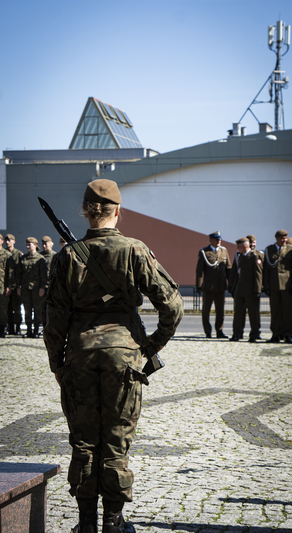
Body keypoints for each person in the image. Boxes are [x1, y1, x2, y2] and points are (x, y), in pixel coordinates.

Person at [43, 179, 184, 533]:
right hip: (124, 356)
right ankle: (114, 521)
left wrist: (57, 364)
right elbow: (171, 304)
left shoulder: (66, 257)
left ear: (86, 212)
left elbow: (54, 318)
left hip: (79, 354)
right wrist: (154, 344)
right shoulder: (135, 250)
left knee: (84, 440)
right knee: (116, 440)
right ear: (118, 211)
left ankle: (86, 523)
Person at [196, 231, 231, 338]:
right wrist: (198, 285)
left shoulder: (224, 251)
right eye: (216, 239)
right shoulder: (204, 252)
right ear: (210, 240)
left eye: (219, 239)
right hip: (208, 287)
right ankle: (208, 331)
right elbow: (199, 271)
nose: (218, 241)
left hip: (221, 287)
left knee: (220, 311)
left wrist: (231, 284)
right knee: (206, 311)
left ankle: (219, 331)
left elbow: (228, 268)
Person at [264, 230, 292, 343]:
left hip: (287, 285)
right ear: (277, 238)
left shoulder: (291, 250)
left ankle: (287, 334)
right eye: (282, 238)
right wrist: (267, 285)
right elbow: (266, 270)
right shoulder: (269, 249)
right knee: (275, 311)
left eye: (285, 238)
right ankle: (276, 334)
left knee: (288, 311)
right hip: (274, 285)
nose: (284, 240)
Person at [228, 237, 263, 342]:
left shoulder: (254, 256)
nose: (237, 248)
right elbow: (235, 273)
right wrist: (232, 287)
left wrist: (257, 290)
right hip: (240, 290)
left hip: (251, 290)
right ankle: (237, 334)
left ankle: (254, 334)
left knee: (253, 314)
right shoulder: (239, 256)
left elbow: (258, 275)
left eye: (238, 246)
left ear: (244, 246)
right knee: (238, 314)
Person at [16, 237, 47, 338]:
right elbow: (19, 274)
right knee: (27, 310)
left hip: (37, 289)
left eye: (30, 244)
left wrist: (42, 287)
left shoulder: (41, 259)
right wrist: (18, 287)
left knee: (37, 310)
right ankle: (29, 331)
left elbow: (43, 275)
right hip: (25, 289)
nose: (28, 246)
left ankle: (36, 331)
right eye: (27, 245)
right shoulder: (23, 258)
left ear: (35, 245)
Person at [4, 234, 23, 335]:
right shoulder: (3, 253)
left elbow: (21, 271)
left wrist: (19, 286)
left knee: (17, 308)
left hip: (16, 286)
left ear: (14, 241)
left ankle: (18, 328)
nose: (8, 242)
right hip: (6, 286)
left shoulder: (18, 254)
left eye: (10, 240)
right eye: (6, 240)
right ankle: (10, 328)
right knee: (8, 308)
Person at [40, 236, 57, 328]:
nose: (44, 245)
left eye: (46, 243)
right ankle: (43, 327)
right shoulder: (39, 256)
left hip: (52, 286)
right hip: (42, 286)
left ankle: (50, 327)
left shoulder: (55, 255)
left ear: (51, 244)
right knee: (42, 308)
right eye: (42, 243)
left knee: (51, 308)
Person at [0, 234, 14, 338]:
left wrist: (9, 286)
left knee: (3, 309)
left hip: (2, 287)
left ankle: (2, 329)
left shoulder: (7, 255)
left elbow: (10, 272)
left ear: (1, 241)